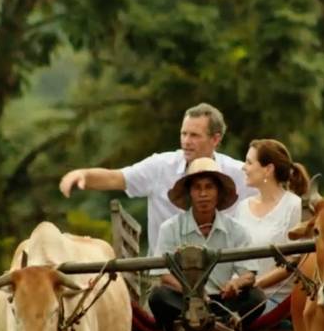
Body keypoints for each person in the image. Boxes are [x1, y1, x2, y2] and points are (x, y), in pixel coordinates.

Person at [58, 103, 252, 251]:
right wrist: (82, 174)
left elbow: (273, 189)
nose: (186, 141)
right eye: (183, 134)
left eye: (194, 135)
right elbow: (116, 178)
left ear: (215, 139)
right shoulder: (160, 166)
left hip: (223, 275)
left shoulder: (238, 172)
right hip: (165, 274)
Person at [145, 158, 265, 330]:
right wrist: (193, 294)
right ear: (189, 193)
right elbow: (164, 275)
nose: (203, 194)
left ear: (218, 192)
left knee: (257, 297)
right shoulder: (170, 228)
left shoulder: (237, 230)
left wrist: (235, 284)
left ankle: (221, 323)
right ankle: (204, 323)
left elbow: (249, 274)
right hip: (184, 299)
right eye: (197, 188)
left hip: (223, 302)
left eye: (209, 187)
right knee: (158, 297)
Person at [231, 139, 310, 315]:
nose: (244, 167)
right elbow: (234, 257)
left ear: (268, 169)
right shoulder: (242, 207)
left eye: (249, 162)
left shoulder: (294, 207)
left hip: (275, 301)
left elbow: (292, 262)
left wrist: (253, 284)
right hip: (240, 296)